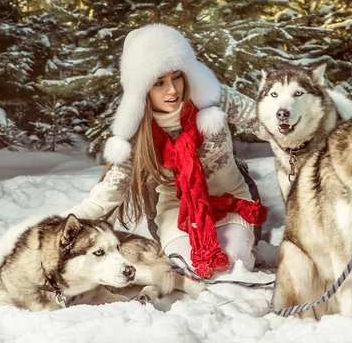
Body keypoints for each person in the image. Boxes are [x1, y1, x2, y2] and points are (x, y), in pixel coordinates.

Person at [64, 23, 267, 278]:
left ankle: (248, 242)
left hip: (233, 197)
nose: (172, 90)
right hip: (178, 211)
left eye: (177, 77)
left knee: (233, 258)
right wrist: (62, 223)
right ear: (143, 89)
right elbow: (110, 190)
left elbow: (265, 121)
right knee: (189, 267)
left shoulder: (211, 97)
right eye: (159, 82)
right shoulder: (139, 132)